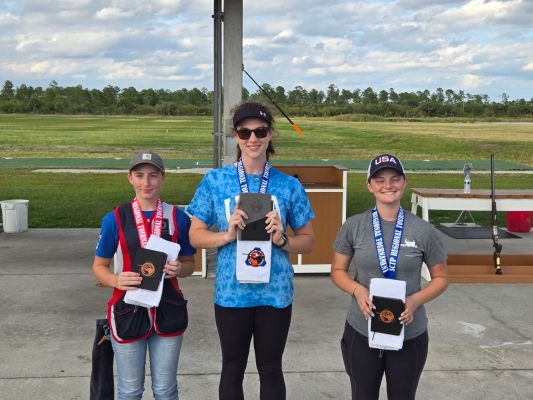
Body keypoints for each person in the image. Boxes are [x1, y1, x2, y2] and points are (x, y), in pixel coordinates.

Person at [187, 101, 315, 400]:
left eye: (260, 131)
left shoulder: (288, 185)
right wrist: (226, 235)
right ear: (236, 136)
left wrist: (283, 240)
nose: (253, 138)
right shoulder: (215, 181)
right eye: (244, 133)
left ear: (270, 134)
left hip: (275, 293)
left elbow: (309, 241)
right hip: (232, 293)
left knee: (271, 368)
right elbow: (195, 236)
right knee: (232, 368)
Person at [330, 153, 448, 400]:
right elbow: (338, 271)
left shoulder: (423, 230)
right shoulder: (353, 226)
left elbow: (441, 278)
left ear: (404, 182)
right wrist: (358, 290)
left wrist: (414, 301)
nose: (388, 185)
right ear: (369, 185)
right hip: (362, 329)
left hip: (409, 332)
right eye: (380, 180)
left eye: (395, 178)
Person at [92, 151, 195, 400]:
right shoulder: (116, 218)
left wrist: (180, 269)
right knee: (129, 391)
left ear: (163, 178)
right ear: (130, 178)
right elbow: (99, 267)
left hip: (168, 310)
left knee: (165, 390)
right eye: (139, 175)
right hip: (127, 310)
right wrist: (115, 279)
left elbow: (190, 264)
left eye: (153, 175)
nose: (146, 182)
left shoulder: (178, 217)